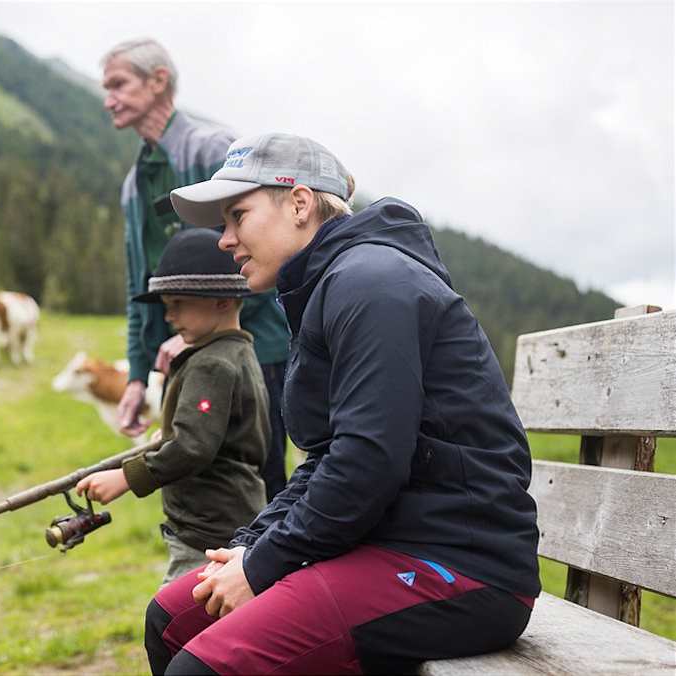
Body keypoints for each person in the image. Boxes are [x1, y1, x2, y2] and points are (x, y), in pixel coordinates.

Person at [142, 132, 541, 674]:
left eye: (237, 216)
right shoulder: (326, 287)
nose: (225, 239)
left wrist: (264, 565)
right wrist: (252, 545)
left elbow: (369, 461)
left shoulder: (371, 284)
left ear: (300, 204)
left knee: (204, 666)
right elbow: (329, 457)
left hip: (459, 563)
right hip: (384, 540)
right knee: (173, 616)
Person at [100, 38, 291, 499]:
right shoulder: (134, 184)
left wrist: (202, 327)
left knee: (257, 482)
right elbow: (137, 283)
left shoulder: (214, 150)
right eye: (105, 88)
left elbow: (266, 250)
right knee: (197, 475)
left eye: (119, 84)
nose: (108, 99)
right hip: (187, 349)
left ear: (159, 80)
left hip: (255, 352)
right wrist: (137, 377)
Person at [76, 228, 269, 586]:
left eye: (178, 304)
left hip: (207, 534)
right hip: (228, 518)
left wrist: (125, 477)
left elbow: (193, 446)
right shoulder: (239, 352)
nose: (169, 316)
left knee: (176, 625)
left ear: (222, 301)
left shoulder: (212, 364)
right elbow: (210, 432)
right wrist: (171, 434)